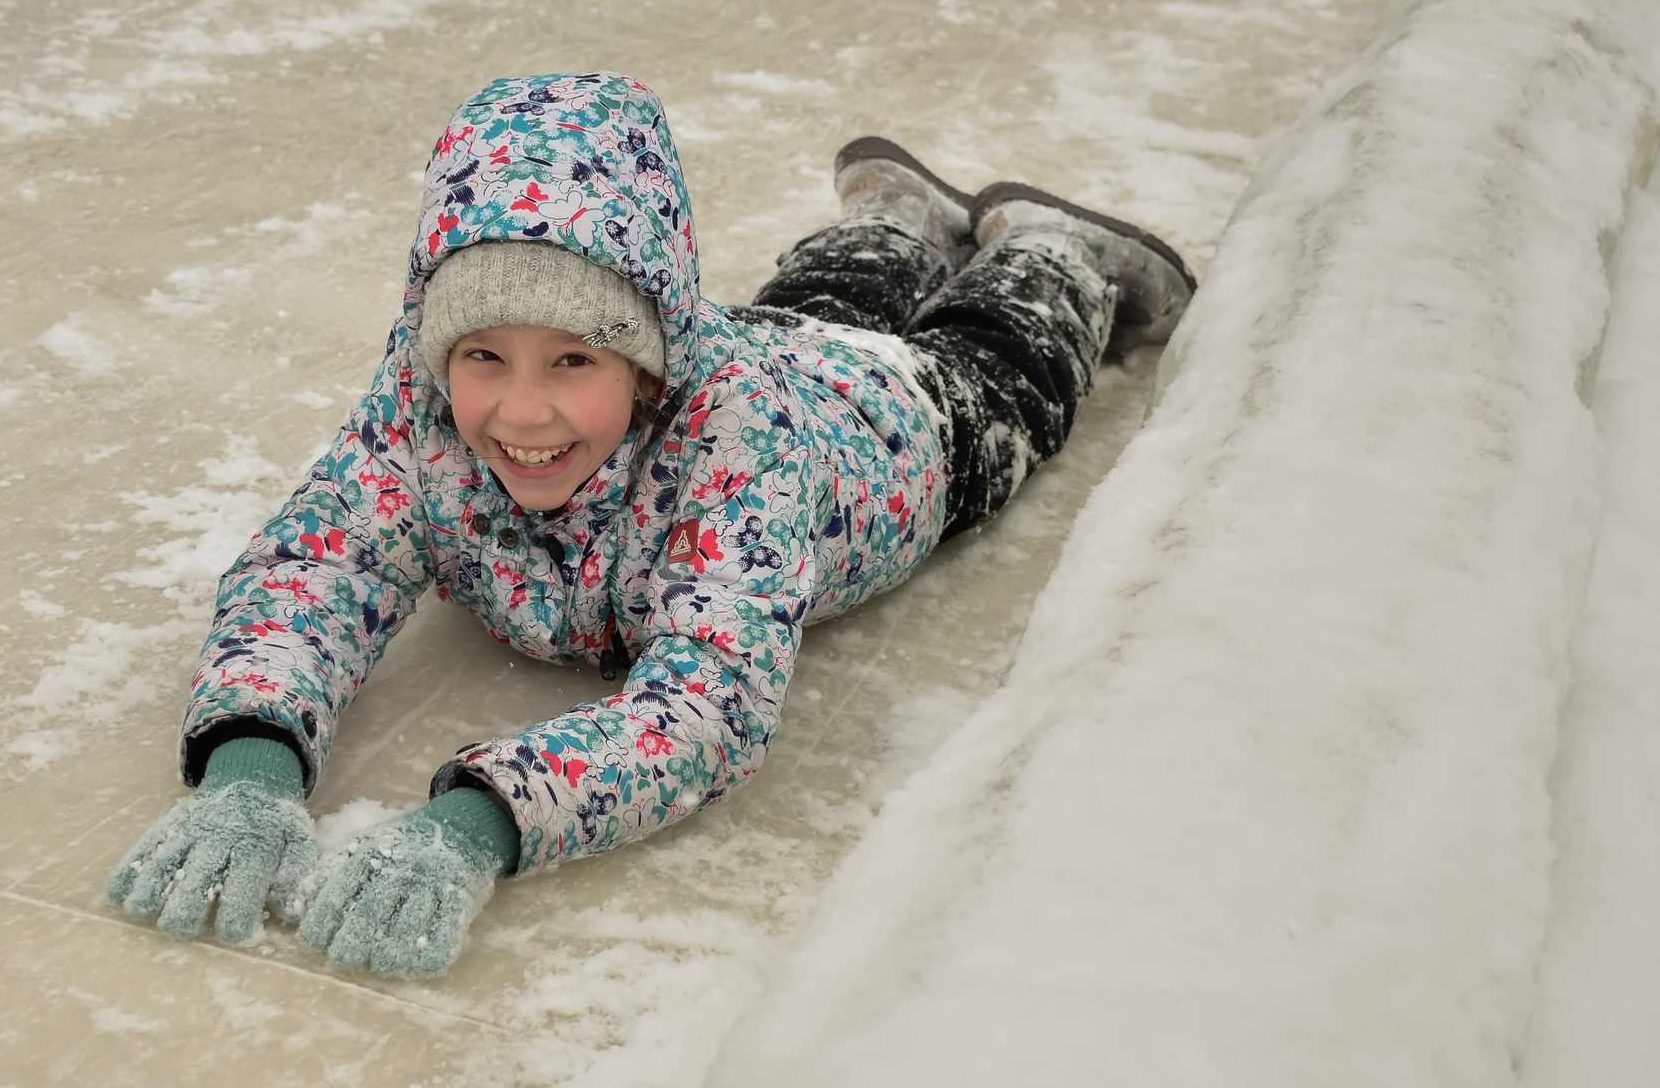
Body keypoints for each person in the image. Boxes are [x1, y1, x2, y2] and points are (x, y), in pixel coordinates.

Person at [104, 71, 1193, 976]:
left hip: (905, 432)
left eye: (572, 359)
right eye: (485, 356)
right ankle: (892, 224)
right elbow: (316, 565)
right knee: (818, 299)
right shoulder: (419, 406)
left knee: (998, 361)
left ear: (645, 353)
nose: (521, 411)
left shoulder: (735, 453)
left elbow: (706, 704)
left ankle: (1050, 249)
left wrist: (479, 820)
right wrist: (251, 764)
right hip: (772, 338)